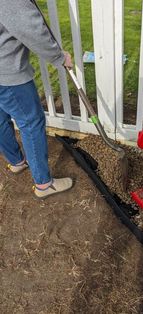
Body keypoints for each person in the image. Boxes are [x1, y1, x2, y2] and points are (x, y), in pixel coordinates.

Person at [0, 0, 74, 199]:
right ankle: (44, 184)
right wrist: (59, 56)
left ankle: (17, 161)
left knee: (0, 119)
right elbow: (31, 29)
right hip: (7, 75)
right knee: (31, 123)